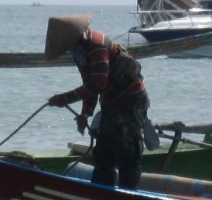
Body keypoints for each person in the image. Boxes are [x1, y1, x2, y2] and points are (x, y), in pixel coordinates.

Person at [44, 15, 150, 189]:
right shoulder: (81, 53)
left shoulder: (96, 46)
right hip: (111, 102)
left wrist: (65, 98)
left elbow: (97, 84)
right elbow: (90, 85)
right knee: (103, 153)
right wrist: (85, 113)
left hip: (131, 102)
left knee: (129, 152)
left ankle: (128, 195)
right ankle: (103, 193)